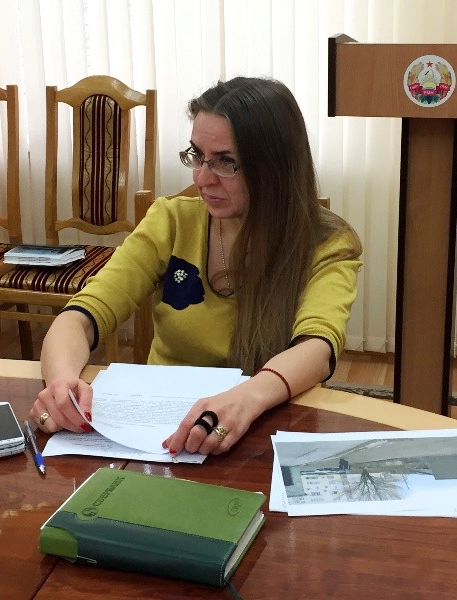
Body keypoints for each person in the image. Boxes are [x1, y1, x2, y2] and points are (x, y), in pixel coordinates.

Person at [30, 76, 362, 455]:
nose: (202, 179)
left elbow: (318, 346)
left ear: (275, 167)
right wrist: (61, 385)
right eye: (197, 156)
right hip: (161, 433)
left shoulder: (328, 243)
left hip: (267, 425)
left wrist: (246, 398)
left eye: (225, 162)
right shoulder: (171, 221)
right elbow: (82, 317)